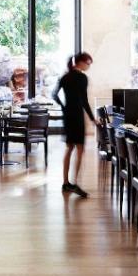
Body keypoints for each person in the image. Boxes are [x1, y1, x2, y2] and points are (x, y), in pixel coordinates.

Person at [52, 52, 95, 198]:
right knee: (80, 149)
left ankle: (65, 182)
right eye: (88, 63)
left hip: (67, 115)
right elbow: (84, 101)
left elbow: (54, 94)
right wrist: (92, 118)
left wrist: (63, 107)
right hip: (77, 116)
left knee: (69, 147)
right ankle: (75, 182)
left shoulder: (65, 77)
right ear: (81, 62)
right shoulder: (82, 78)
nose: (89, 66)